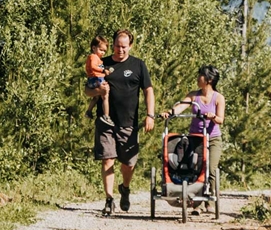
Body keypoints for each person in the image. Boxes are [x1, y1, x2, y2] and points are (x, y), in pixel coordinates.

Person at [86, 29, 155, 216]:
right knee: (107, 159)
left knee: (129, 164)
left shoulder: (138, 65)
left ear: (130, 46)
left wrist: (150, 115)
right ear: (113, 45)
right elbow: (88, 90)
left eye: (124, 47)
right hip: (105, 121)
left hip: (129, 123)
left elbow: (148, 90)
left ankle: (125, 188)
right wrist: (98, 92)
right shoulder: (103, 63)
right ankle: (109, 199)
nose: (120, 50)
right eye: (117, 46)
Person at [162, 65, 225, 209]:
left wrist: (213, 116)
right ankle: (197, 203)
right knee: (196, 168)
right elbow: (179, 107)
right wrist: (169, 113)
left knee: (211, 168)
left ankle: (209, 200)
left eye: (200, 75)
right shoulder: (193, 95)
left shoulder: (218, 98)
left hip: (213, 138)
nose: (198, 78)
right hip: (196, 139)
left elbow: (221, 119)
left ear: (208, 79)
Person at [83, 36, 113, 126]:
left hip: (93, 79)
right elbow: (93, 67)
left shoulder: (97, 58)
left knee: (96, 97)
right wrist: (103, 70)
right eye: (101, 50)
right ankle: (106, 116)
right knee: (105, 94)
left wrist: (106, 69)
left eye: (104, 51)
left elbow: (99, 67)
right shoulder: (93, 57)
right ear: (94, 48)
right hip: (96, 79)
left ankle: (89, 111)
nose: (103, 53)